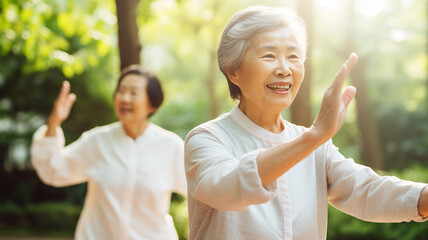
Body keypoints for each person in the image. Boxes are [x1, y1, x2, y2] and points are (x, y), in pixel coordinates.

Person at [184, 6, 428, 239]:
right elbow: (228, 187)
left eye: (293, 56)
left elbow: (365, 190)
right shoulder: (208, 138)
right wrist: (314, 136)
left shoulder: (316, 146)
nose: (285, 69)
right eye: (269, 55)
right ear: (232, 70)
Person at [31, 65, 187, 240]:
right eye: (121, 91)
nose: (125, 98)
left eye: (134, 93)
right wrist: (54, 122)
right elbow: (53, 170)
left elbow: (201, 192)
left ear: (152, 103)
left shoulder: (170, 146)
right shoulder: (97, 141)